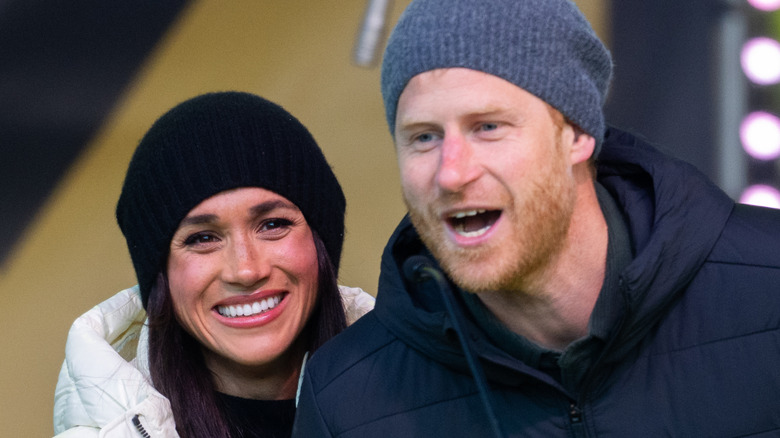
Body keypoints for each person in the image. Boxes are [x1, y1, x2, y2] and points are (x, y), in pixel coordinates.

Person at [292, 0, 780, 436]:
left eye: (488, 127)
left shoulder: (768, 289)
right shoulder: (347, 400)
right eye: (423, 137)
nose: (451, 173)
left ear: (577, 134)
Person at [52, 91, 375, 437]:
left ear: (320, 243)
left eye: (272, 225)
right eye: (203, 238)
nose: (246, 270)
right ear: (160, 277)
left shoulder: (430, 398)